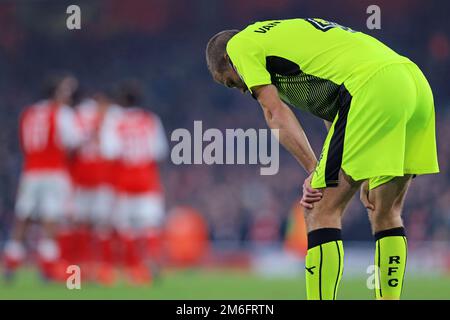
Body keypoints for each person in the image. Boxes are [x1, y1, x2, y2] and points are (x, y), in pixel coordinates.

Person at [205, 18, 439, 300]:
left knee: (319, 207)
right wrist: (361, 166)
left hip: (371, 88)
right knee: (385, 211)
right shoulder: (279, 38)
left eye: (231, 81)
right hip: (412, 82)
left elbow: (274, 114)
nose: (242, 89)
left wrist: (314, 172)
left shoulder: (240, 45)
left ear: (229, 60)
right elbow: (337, 112)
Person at [4, 74, 81, 281]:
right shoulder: (61, 113)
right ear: (56, 92)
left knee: (23, 219)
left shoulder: (29, 113)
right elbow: (73, 141)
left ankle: (10, 264)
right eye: (65, 91)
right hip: (54, 170)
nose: (68, 96)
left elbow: (24, 142)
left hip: (31, 171)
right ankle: (47, 268)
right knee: (50, 219)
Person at [101, 80, 169, 284]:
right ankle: (151, 265)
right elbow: (160, 152)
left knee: (126, 228)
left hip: (123, 181)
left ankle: (133, 269)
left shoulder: (114, 121)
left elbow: (109, 151)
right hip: (147, 180)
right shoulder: (150, 120)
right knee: (150, 227)